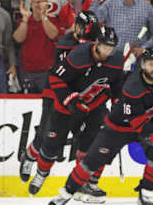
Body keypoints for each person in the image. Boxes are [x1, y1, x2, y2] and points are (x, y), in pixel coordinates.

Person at [48, 48, 153, 205]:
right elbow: (136, 121)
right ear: (143, 65)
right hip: (118, 127)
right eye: (151, 64)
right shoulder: (133, 87)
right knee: (91, 162)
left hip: (149, 123)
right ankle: (65, 193)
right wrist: (152, 136)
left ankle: (145, 194)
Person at [25, 27, 124, 198]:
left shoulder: (116, 60)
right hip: (67, 106)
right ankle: (41, 174)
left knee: (93, 140)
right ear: (97, 44)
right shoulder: (79, 56)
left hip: (93, 106)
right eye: (105, 47)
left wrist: (117, 105)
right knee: (51, 144)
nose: (108, 52)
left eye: (111, 48)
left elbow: (116, 86)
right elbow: (55, 77)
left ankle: (83, 182)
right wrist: (71, 100)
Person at [19, 11, 101, 196]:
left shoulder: (95, 44)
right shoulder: (66, 43)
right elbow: (63, 78)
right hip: (56, 94)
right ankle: (30, 157)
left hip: (82, 99)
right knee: (44, 137)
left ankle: (83, 181)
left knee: (82, 139)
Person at [13, 0, 60, 92]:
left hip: (46, 71)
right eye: (36, 2)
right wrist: (25, 20)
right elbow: (18, 38)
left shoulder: (53, 20)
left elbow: (53, 35)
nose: (39, 5)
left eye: (42, 2)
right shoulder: (24, 22)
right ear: (31, 4)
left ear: (47, 4)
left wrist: (44, 17)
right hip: (27, 71)